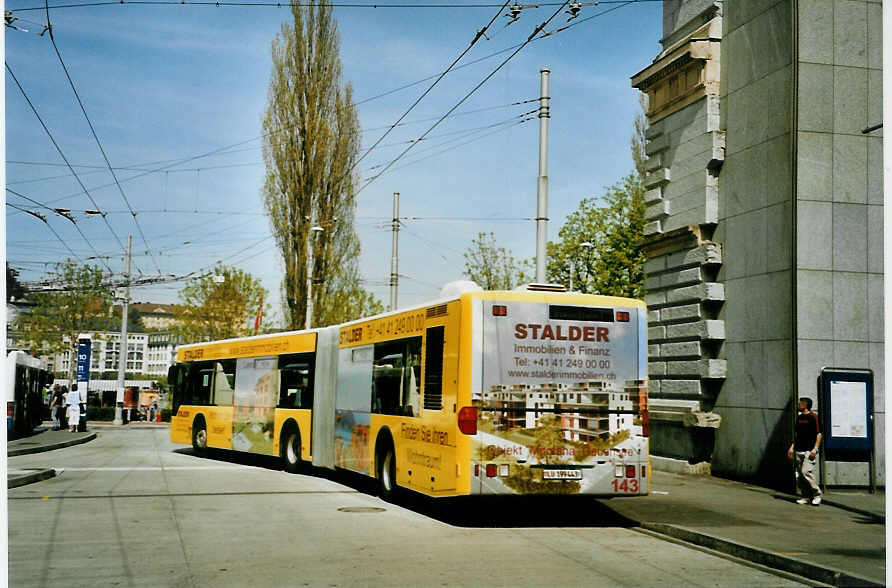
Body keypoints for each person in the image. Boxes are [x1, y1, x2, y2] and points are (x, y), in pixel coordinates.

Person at [788, 396, 823, 506]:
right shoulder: (799, 418)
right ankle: (805, 496)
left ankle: (817, 494)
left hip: (809, 450)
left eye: (799, 403)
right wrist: (792, 447)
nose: (798, 405)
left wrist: (815, 449)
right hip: (798, 449)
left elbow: (819, 434)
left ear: (805, 405)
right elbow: (797, 435)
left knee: (805, 472)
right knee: (799, 475)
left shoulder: (814, 417)